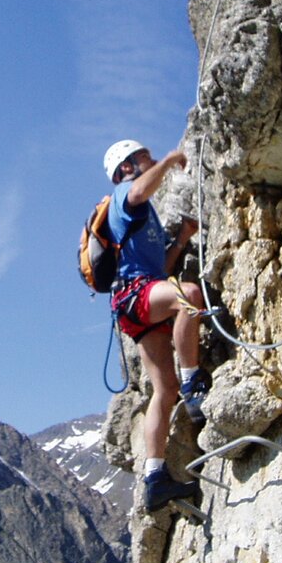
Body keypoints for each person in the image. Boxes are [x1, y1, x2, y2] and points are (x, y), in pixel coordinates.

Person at [103, 139, 209, 512]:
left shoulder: (143, 215)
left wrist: (181, 240)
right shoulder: (124, 195)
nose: (151, 160)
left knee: (164, 389)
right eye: (143, 157)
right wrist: (167, 162)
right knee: (189, 295)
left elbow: (159, 270)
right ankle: (194, 382)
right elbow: (137, 191)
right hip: (137, 294)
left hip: (136, 302)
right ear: (127, 167)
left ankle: (155, 477)